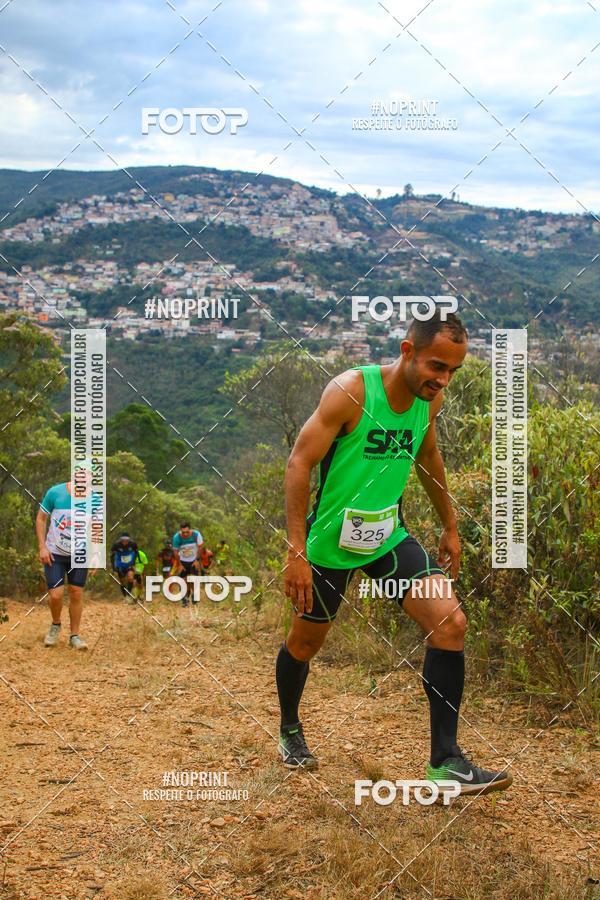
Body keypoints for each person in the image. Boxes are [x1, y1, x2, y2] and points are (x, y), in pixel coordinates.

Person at [278, 311, 512, 797]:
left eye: (452, 371)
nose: (442, 379)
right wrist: (296, 551)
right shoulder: (352, 392)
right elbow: (300, 461)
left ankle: (446, 762)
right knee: (304, 645)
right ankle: (290, 729)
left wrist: (449, 526)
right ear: (407, 352)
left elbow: (427, 457)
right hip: (328, 544)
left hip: (386, 537)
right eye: (435, 366)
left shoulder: (430, 401)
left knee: (449, 623)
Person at [36, 479, 89, 650]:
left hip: (80, 554)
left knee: (76, 593)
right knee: (56, 595)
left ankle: (75, 636)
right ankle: (55, 625)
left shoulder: (94, 498)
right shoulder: (55, 492)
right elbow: (41, 518)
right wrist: (42, 547)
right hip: (54, 553)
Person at [173, 522, 204, 606]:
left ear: (190, 530)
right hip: (183, 560)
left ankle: (194, 595)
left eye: (187, 532)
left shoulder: (196, 535)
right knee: (184, 581)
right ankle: (185, 598)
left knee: (193, 579)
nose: (185, 534)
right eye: (183, 532)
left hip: (194, 560)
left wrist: (197, 560)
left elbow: (201, 547)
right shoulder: (176, 537)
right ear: (180, 531)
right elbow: (175, 551)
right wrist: (179, 564)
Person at [110, 534, 139, 601]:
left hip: (130, 565)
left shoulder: (133, 544)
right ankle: (125, 596)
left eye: (126, 540)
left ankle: (128, 595)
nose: (125, 541)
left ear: (129, 539)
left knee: (130, 578)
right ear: (121, 539)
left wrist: (134, 563)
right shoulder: (116, 545)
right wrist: (113, 568)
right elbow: (112, 556)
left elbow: (136, 553)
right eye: (123, 540)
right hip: (120, 565)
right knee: (123, 582)